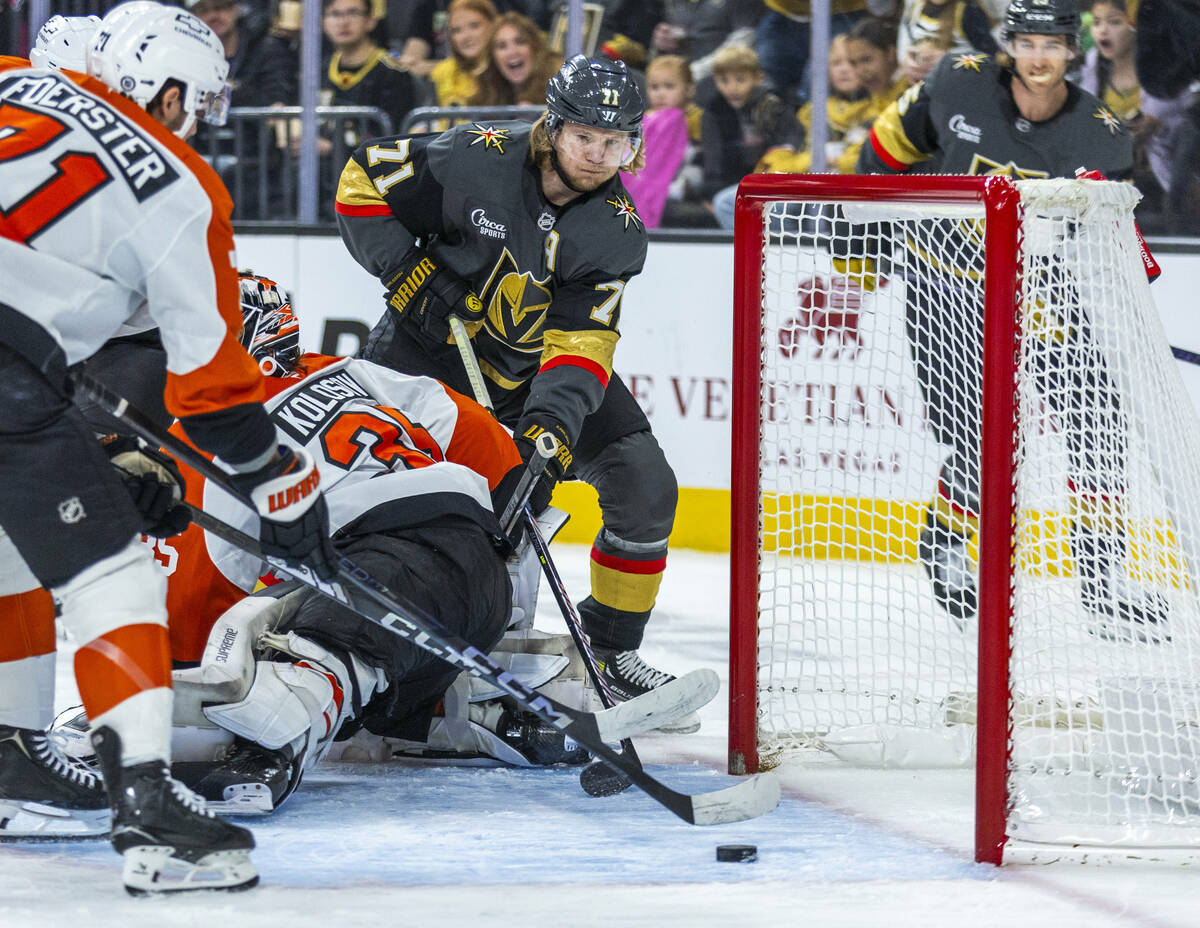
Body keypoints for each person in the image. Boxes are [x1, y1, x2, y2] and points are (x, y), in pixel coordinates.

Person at [0, 1, 336, 894]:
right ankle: (151, 816)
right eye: (202, 106)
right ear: (173, 89)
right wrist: (287, 492)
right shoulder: (179, 184)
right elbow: (220, 400)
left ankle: (9, 756)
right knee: (116, 576)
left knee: (9, 547)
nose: (203, 127)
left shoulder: (11, 81)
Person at [112, 274, 584, 813]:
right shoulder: (351, 374)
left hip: (388, 572)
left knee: (299, 648)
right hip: (477, 578)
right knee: (372, 661)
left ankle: (282, 736)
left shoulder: (210, 444)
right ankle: (463, 701)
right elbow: (484, 439)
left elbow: (200, 623)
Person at [334, 55, 700, 731]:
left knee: (645, 487)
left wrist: (547, 434)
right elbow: (361, 181)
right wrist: (409, 273)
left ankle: (610, 652)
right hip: (426, 359)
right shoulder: (476, 158)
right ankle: (359, 650)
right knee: (393, 503)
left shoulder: (615, 232)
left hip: (532, 371)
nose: (597, 154)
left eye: (614, 140)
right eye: (584, 136)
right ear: (552, 128)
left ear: (634, 144)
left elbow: (581, 347)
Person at [853, 0, 1166, 642]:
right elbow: (883, 150)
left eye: (1054, 43)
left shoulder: (1101, 135)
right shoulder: (956, 81)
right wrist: (862, 240)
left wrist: (1133, 292)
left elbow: (1115, 244)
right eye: (1029, 42)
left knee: (1099, 423)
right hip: (946, 288)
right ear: (1009, 45)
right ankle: (946, 542)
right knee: (982, 438)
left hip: (1043, 296)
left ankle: (1102, 581)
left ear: (1072, 51)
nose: (1041, 55)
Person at [1079, 0, 1189, 230]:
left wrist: (1157, 127)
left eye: (1114, 22)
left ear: (1136, 27)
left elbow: (1185, 122)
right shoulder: (1091, 67)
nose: (1103, 30)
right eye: (1097, 22)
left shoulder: (1164, 69)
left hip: (1161, 187)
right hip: (1109, 189)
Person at [703, 45, 801, 230]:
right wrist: (711, 194)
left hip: (772, 181)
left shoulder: (773, 106)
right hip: (734, 185)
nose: (732, 88)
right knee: (722, 203)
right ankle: (748, 256)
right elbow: (712, 158)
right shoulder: (713, 111)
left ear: (758, 78)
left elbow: (791, 142)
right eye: (724, 81)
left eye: (740, 80)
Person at [756, 32, 874, 175]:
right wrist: (810, 162)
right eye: (836, 63)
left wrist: (836, 163)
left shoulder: (878, 111)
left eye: (852, 62)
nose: (844, 69)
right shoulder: (811, 112)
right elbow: (780, 159)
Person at [621, 54, 693, 227]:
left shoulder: (675, 118)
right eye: (654, 87)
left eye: (669, 86)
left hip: (649, 174)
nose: (660, 93)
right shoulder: (645, 118)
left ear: (688, 89)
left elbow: (661, 158)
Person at [468, 12, 561, 106]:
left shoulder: (561, 91)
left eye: (520, 42)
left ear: (535, 48)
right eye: (502, 46)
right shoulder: (483, 100)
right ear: (492, 57)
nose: (512, 52)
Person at [431, 0, 499, 107]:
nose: (465, 37)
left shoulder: (506, 70)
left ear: (493, 25)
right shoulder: (442, 73)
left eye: (474, 26)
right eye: (457, 30)